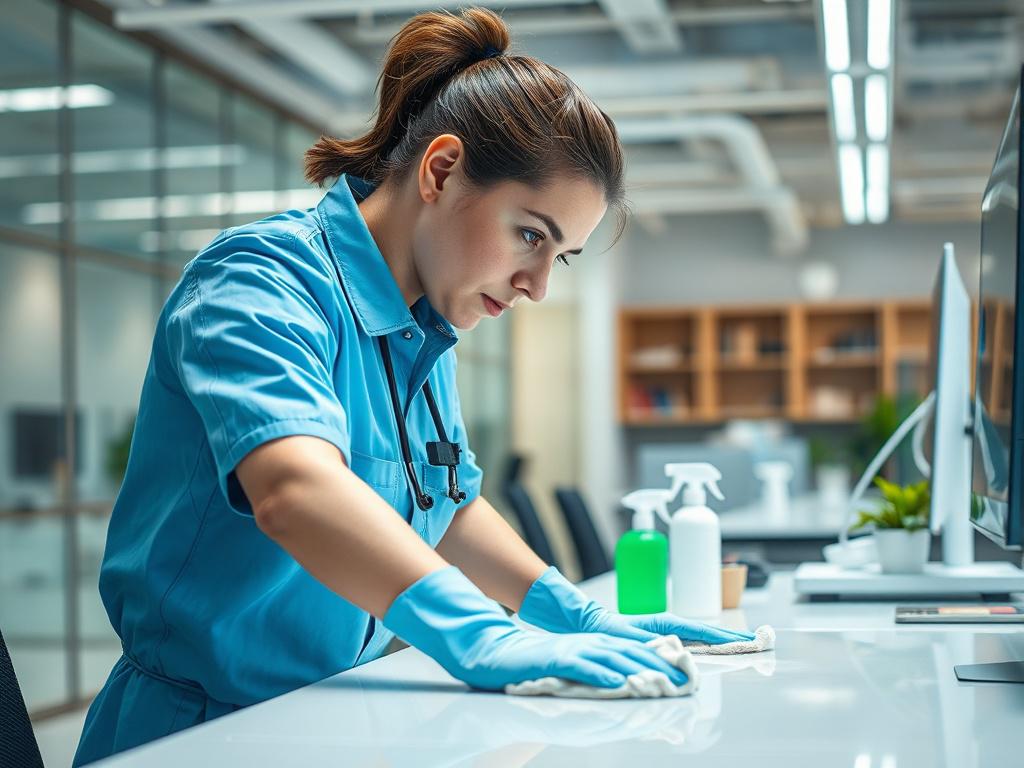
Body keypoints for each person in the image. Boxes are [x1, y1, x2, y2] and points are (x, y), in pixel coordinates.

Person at [73, 8, 752, 765]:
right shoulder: (261, 280)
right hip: (199, 732)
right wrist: (483, 634)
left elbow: (447, 505)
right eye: (531, 233)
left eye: (559, 257)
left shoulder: (426, 326)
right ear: (439, 170)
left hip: (333, 715)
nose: (535, 286)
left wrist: (574, 613)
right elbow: (295, 491)